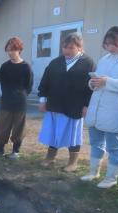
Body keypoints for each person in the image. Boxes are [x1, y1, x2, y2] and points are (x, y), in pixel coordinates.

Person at [81, 25, 118, 189]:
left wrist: (107, 82)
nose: (110, 48)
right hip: (97, 108)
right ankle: (93, 171)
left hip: (116, 110)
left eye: (114, 44)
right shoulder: (105, 59)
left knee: (115, 146)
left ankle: (111, 177)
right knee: (96, 142)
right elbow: (99, 80)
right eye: (107, 44)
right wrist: (93, 83)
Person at [38, 33, 95, 172]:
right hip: (55, 105)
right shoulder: (55, 62)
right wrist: (42, 100)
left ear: (80, 48)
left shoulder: (88, 63)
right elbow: (45, 82)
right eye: (65, 47)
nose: (67, 51)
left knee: (73, 135)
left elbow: (91, 88)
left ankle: (72, 162)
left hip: (74, 106)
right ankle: (50, 157)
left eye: (71, 48)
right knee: (54, 132)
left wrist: (87, 105)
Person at [0, 37, 33, 158]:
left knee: (19, 128)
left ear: (19, 50)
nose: (10, 52)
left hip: (20, 102)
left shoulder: (26, 67)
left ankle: (15, 151)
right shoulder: (5, 67)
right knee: (2, 126)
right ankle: (0, 151)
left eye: (13, 50)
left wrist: (20, 95)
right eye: (8, 50)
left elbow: (29, 86)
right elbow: (2, 83)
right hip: (6, 101)